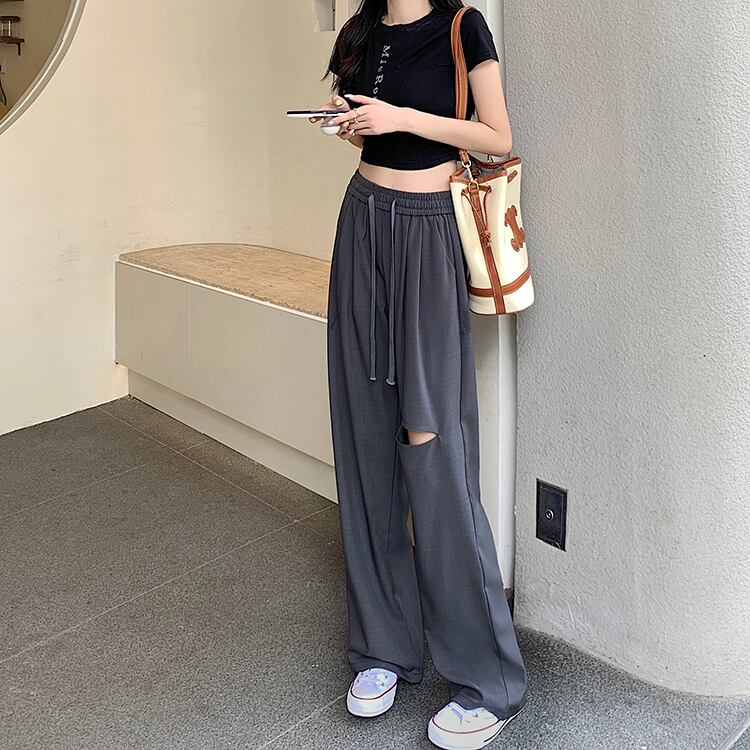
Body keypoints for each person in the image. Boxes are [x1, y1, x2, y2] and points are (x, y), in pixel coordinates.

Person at [310, 2, 528, 747]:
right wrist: (353, 125)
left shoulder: (463, 26)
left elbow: (497, 135)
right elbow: (374, 129)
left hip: (429, 228)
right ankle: (382, 647)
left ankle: (487, 680)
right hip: (363, 219)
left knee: (431, 445)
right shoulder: (364, 30)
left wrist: (400, 117)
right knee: (365, 436)